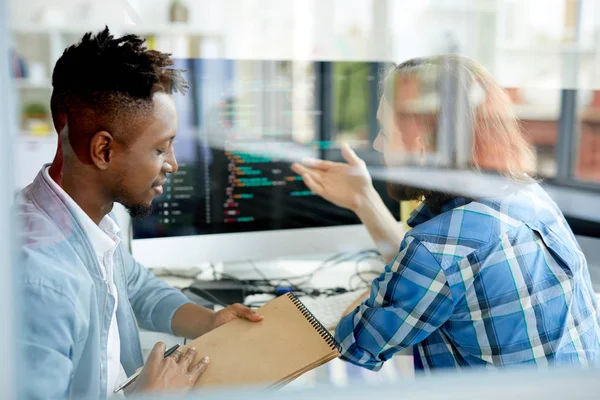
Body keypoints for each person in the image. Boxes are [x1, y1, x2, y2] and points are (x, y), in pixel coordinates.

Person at [292, 54, 600, 370]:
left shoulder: (437, 251)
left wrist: (368, 295)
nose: (377, 144)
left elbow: (353, 343)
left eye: (385, 131)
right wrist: (363, 198)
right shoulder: (529, 196)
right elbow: (444, 267)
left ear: (423, 148)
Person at [16, 27, 263, 399]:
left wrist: (210, 321)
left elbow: (140, 289)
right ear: (103, 151)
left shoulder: (90, 220)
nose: (174, 165)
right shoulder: (38, 283)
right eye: (160, 150)